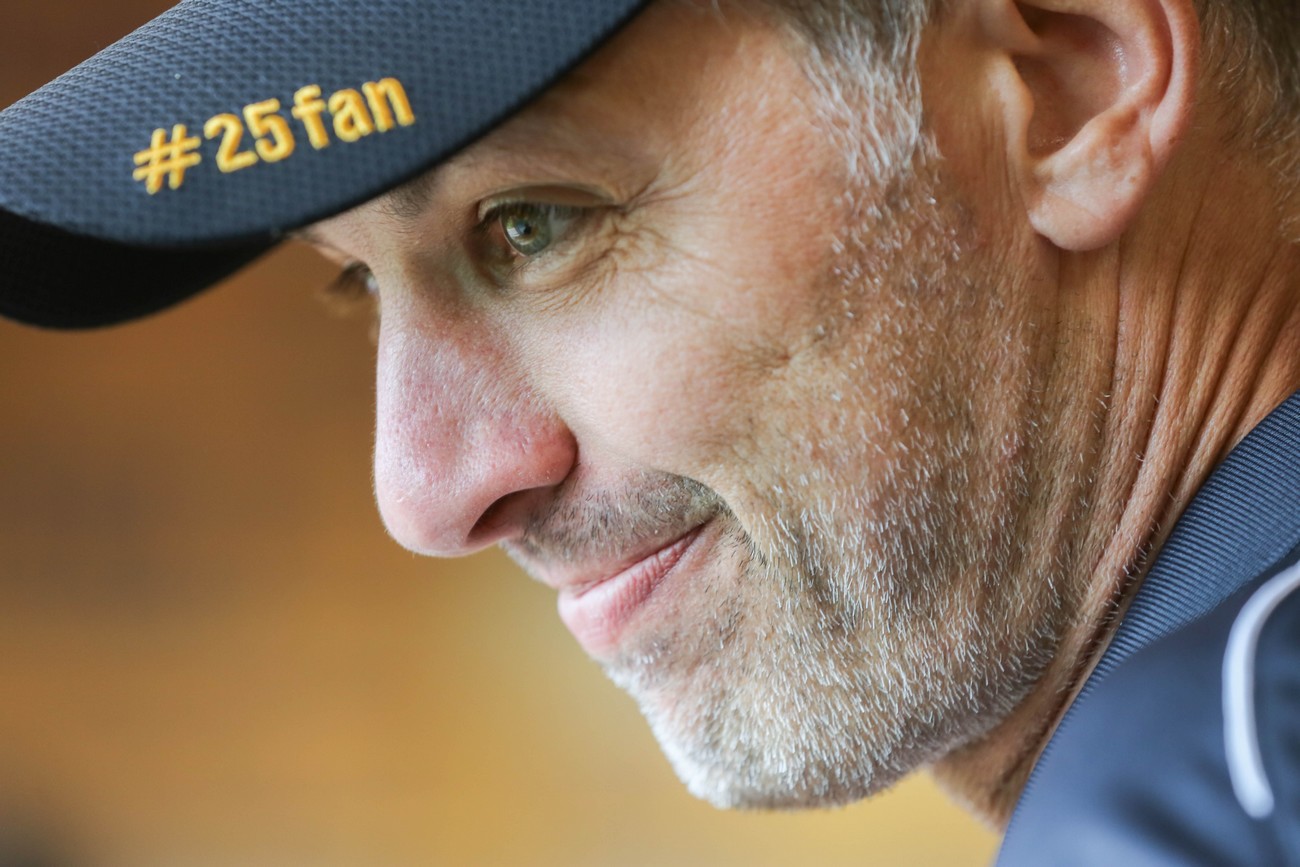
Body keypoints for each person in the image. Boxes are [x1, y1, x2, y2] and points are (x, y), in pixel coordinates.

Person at [1, 0, 1297, 862]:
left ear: (1072, 86)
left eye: (532, 225)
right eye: (357, 283)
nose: (424, 492)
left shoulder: (1205, 806)